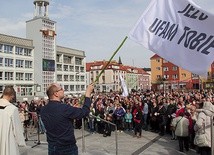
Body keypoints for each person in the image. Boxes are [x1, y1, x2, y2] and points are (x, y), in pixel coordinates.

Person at [40, 83, 94, 155]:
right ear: (56, 93)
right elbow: (84, 112)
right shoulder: (64, 108)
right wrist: (88, 94)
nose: (63, 90)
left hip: (52, 146)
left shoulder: (43, 109)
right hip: (67, 148)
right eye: (61, 89)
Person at [0, 86, 26, 155]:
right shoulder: (12, 109)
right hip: (8, 139)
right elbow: (17, 128)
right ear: (11, 95)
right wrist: (21, 141)